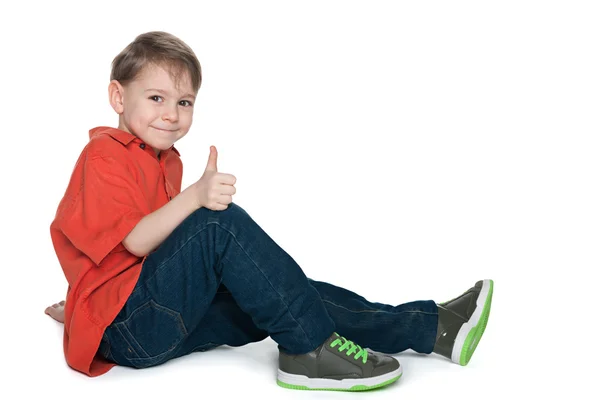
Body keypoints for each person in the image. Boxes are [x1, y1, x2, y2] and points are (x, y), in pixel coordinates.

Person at [45, 31, 494, 392]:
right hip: (132, 329)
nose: (172, 114)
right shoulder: (105, 154)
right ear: (118, 98)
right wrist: (196, 197)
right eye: (156, 98)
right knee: (218, 223)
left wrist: (83, 307)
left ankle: (433, 327)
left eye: (184, 102)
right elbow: (135, 241)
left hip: (141, 318)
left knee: (273, 290)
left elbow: (124, 259)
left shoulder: (165, 160)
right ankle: (309, 351)